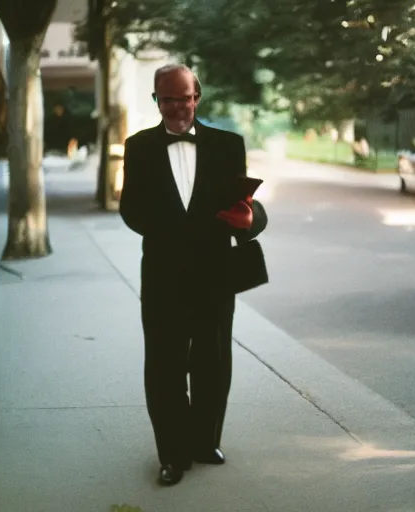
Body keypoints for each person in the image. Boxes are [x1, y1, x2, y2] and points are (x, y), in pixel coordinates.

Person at [119, 64, 268, 486]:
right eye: (166, 99)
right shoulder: (139, 146)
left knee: (213, 363)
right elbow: (131, 209)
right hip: (164, 275)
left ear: (196, 97)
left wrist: (248, 219)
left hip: (216, 274)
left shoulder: (228, 145)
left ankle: (205, 441)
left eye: (183, 98)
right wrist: (169, 230)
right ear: (157, 101)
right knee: (165, 365)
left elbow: (247, 208)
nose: (175, 107)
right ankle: (172, 453)